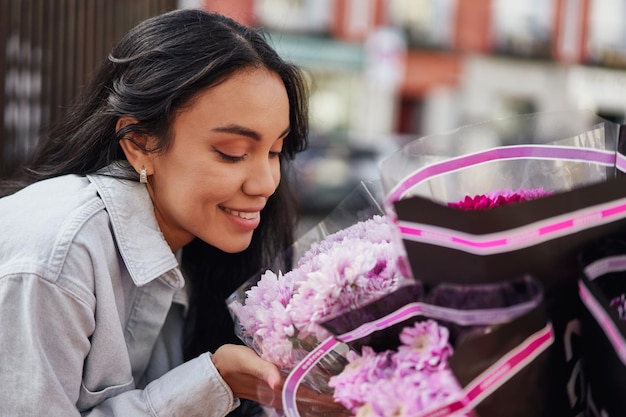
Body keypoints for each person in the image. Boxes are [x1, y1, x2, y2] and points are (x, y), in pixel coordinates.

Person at [0, 8, 318, 417]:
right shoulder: (55, 258)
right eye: (233, 153)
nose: (266, 183)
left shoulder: (198, 244)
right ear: (139, 144)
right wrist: (208, 384)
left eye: (275, 151)